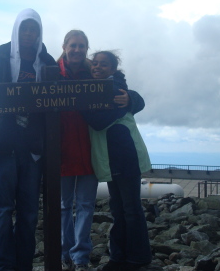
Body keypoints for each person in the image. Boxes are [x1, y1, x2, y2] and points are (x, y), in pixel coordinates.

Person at [0, 8, 56, 271]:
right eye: (25, 29)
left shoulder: (47, 61)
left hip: (32, 149)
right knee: (2, 210)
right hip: (2, 147)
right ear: (17, 30)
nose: (29, 34)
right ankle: (0, 266)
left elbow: (62, 93)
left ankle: (24, 265)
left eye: (34, 29)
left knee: (30, 213)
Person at [57, 31, 145, 271]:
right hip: (71, 152)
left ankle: (86, 258)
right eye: (72, 45)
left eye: (81, 46)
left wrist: (133, 99)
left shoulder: (102, 78)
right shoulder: (53, 71)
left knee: (111, 207)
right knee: (110, 208)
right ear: (64, 46)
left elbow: (112, 105)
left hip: (100, 154)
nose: (77, 50)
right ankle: (71, 256)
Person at [84, 50, 152, 271]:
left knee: (129, 209)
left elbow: (97, 120)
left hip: (124, 156)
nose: (97, 67)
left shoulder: (114, 89)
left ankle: (136, 259)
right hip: (115, 158)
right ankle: (122, 257)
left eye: (103, 64)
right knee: (120, 208)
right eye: (94, 63)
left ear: (113, 69)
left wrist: (82, 106)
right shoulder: (109, 89)